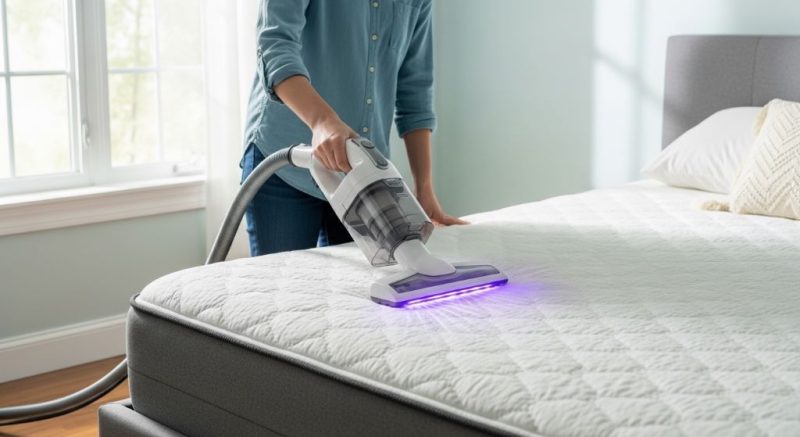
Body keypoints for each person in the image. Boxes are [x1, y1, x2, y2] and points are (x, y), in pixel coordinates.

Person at [241, 0, 465, 256]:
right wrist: (322, 122)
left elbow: (415, 89)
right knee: (281, 278)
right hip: (285, 160)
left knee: (374, 277)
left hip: (361, 173)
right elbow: (275, 45)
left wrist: (423, 188)